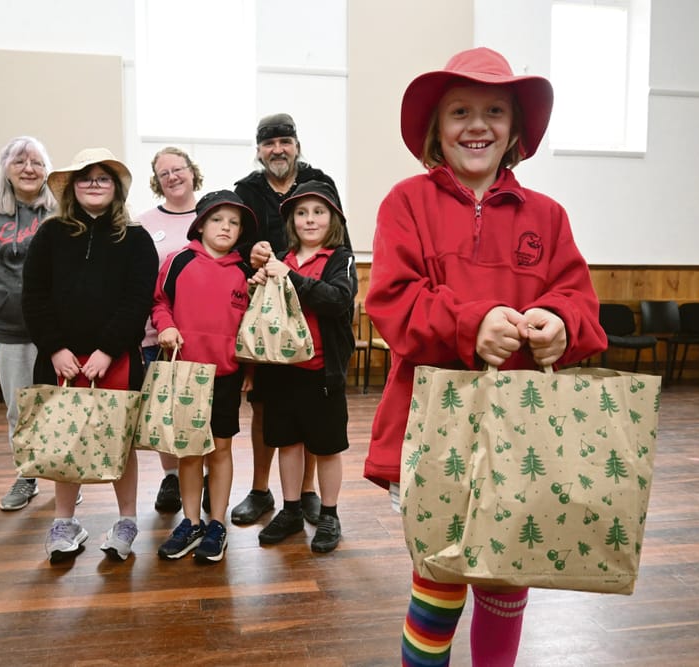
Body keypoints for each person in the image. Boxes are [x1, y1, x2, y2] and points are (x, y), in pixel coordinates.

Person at [362, 48, 607, 666]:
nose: (478, 124)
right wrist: (470, 326)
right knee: (441, 571)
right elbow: (392, 304)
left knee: (507, 569)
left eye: (494, 110)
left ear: (517, 129)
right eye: (460, 111)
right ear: (435, 130)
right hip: (431, 428)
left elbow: (579, 303)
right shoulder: (405, 203)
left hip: (523, 431)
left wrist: (562, 326)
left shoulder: (548, 217)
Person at [22, 147, 159, 563]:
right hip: (59, 358)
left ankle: (127, 520)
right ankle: (65, 521)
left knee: (120, 439)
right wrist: (56, 347)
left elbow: (137, 301)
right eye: (86, 177)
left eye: (103, 178)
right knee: (65, 434)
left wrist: (107, 349)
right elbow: (34, 297)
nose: (94, 184)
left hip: (114, 358)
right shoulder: (49, 235)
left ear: (115, 187)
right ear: (72, 187)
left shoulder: (135, 238)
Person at [231, 113, 348, 527]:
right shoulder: (246, 190)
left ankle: (307, 493)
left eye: (284, 141)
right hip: (266, 316)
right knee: (267, 410)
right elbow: (235, 241)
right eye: (269, 143)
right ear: (259, 149)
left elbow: (340, 241)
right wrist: (255, 254)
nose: (277, 149)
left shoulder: (321, 180)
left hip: (313, 311)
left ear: (297, 144)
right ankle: (262, 490)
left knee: (313, 419)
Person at [250, 181, 356, 554]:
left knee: (326, 448)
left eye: (318, 212)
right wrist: (259, 283)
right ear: (290, 221)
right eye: (301, 213)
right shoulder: (282, 257)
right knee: (288, 444)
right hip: (282, 371)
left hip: (322, 373)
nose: (310, 220)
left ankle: (329, 513)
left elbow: (336, 301)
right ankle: (291, 509)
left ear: (333, 219)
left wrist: (288, 277)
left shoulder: (339, 258)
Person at [152, 190, 256, 564]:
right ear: (200, 224)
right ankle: (191, 522)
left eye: (233, 222)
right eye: (217, 219)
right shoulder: (178, 261)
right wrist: (165, 326)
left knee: (222, 449)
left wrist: (249, 368)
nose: (225, 227)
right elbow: (159, 302)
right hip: (186, 373)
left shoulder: (246, 273)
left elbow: (251, 327)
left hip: (226, 375)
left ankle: (217, 524)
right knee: (190, 452)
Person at [0, 136, 56, 511]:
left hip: (56, 329)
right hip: (11, 329)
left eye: (36, 162)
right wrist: (2, 294)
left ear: (47, 169)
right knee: (20, 408)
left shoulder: (60, 211)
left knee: (58, 404)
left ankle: (67, 475)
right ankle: (27, 476)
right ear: (6, 169)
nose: (28, 169)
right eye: (19, 162)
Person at [137, 146, 205, 515]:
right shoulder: (144, 223)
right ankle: (171, 477)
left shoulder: (212, 216)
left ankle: (202, 474)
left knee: (200, 412)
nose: (173, 177)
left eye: (178, 169)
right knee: (164, 412)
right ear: (157, 181)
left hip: (206, 335)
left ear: (192, 172)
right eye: (164, 174)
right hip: (158, 336)